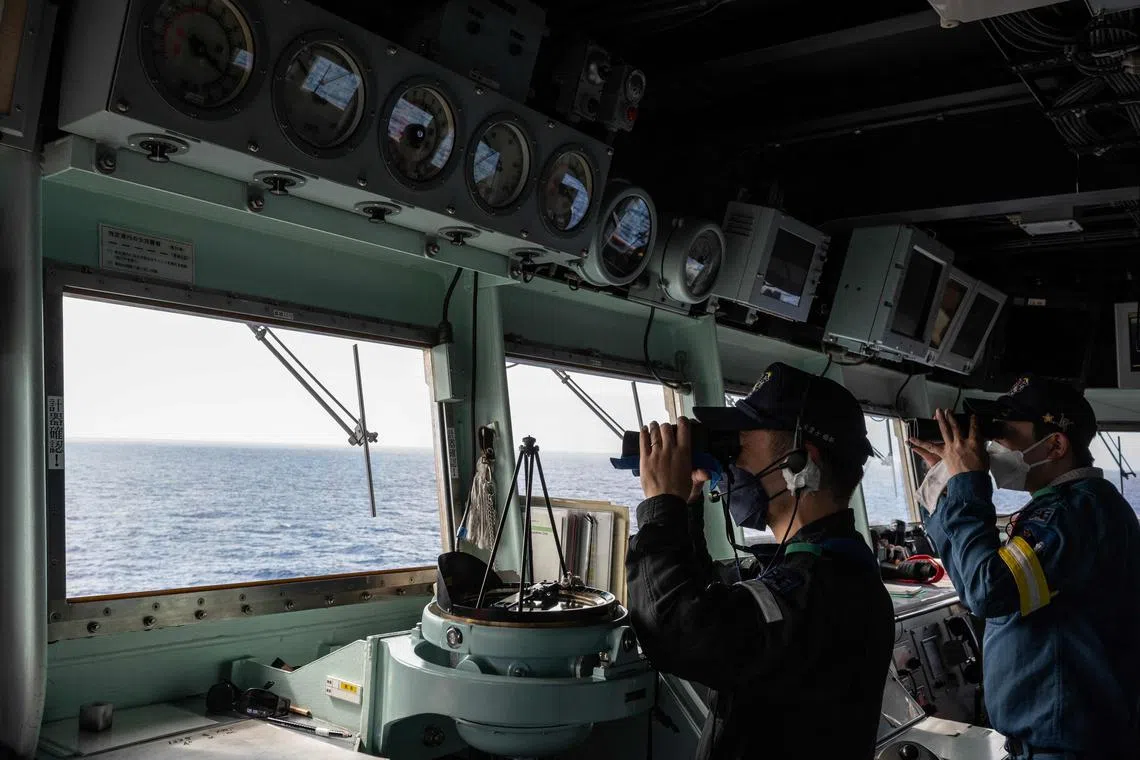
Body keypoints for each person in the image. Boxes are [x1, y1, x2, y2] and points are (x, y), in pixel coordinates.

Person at [626, 362, 894, 760]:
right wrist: (686, 509)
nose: (733, 464)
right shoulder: (832, 566)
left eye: (741, 443)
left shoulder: (822, 588)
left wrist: (661, 505)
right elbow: (714, 609)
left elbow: (675, 630)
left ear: (802, 463)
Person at [908, 374, 1140, 759]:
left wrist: (969, 483)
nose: (992, 444)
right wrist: (948, 490)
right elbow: (973, 584)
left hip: (1070, 747)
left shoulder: (1073, 513)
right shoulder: (1069, 508)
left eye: (1004, 432)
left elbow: (987, 591)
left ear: (1056, 445)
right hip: (1055, 742)